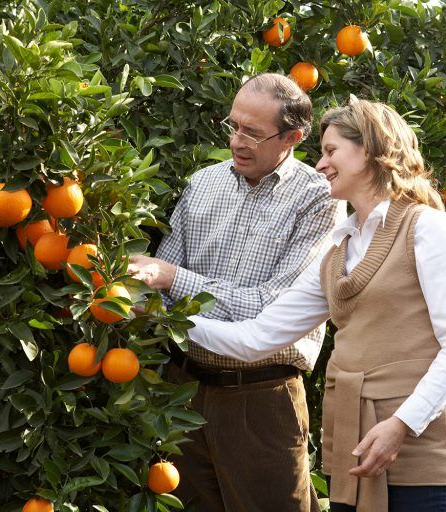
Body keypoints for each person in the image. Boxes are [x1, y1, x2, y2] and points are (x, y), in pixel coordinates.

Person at [185, 98, 446, 512]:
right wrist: (166, 320)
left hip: (416, 456)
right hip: (349, 449)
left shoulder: (428, 228)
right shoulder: (337, 251)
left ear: (370, 150)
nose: (320, 164)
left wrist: (401, 425)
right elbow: (257, 338)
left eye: (330, 151)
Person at [128, 73, 346, 511]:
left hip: (261, 399)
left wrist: (174, 278)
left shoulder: (319, 199)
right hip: (184, 391)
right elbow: (159, 292)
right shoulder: (203, 184)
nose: (237, 141)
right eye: (233, 126)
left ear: (293, 137)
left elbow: (273, 310)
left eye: (253, 132)